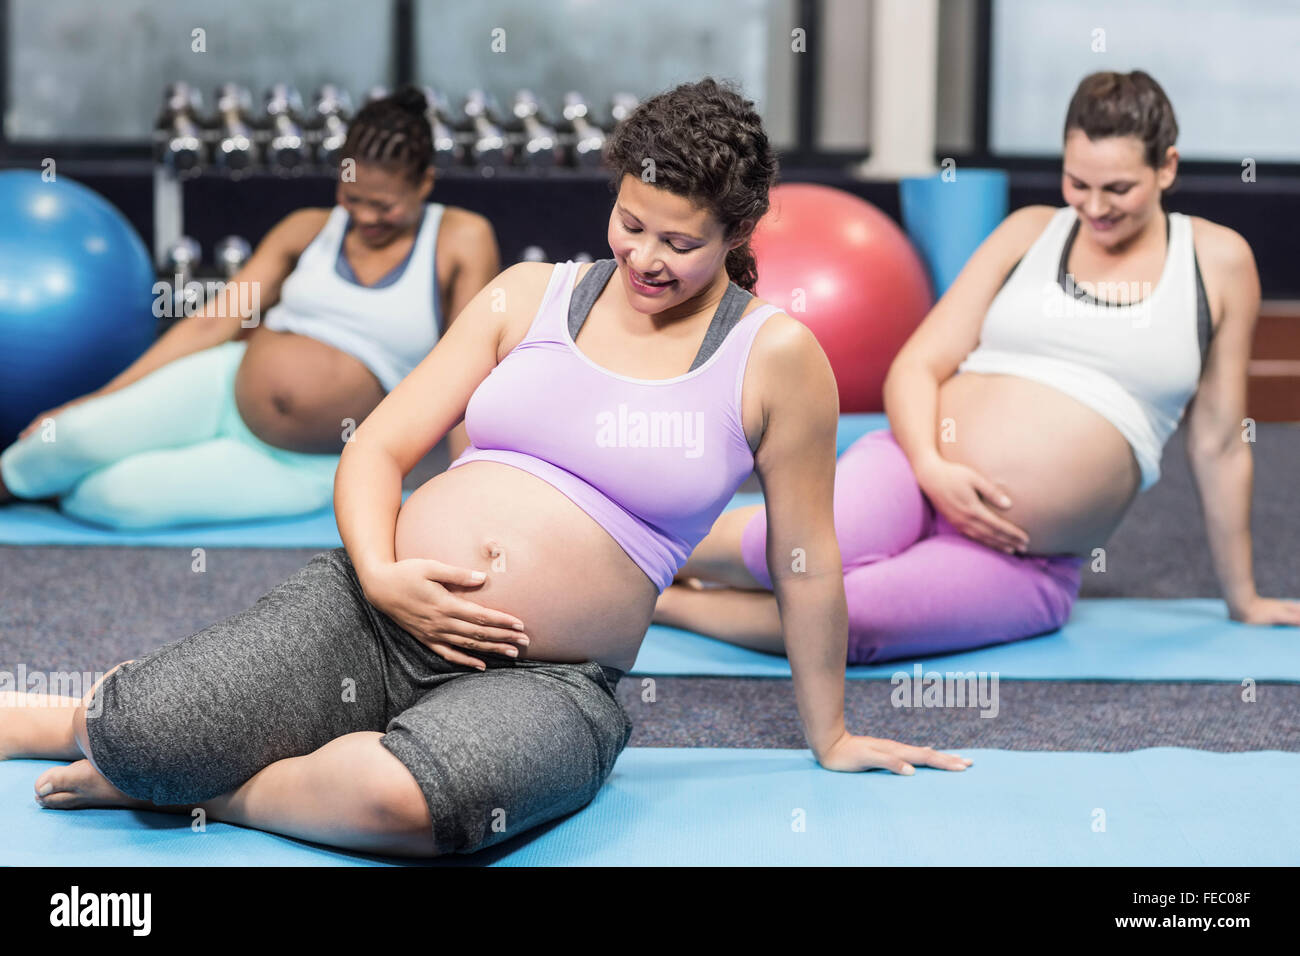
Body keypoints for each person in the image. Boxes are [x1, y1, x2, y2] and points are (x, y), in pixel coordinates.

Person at [1, 78, 969, 859]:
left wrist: (830, 733)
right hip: (376, 613)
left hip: (552, 679)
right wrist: (382, 573)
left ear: (736, 232)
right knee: (144, 733)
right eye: (631, 224)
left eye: (681, 242)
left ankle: (215, 792)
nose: (646, 257)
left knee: (418, 803)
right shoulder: (527, 296)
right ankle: (115, 738)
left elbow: (805, 557)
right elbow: (378, 446)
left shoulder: (773, 355)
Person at [655, 70, 1300, 664]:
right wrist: (936, 471)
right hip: (914, 467)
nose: (1095, 208)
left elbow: (1219, 441)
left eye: (1118, 189)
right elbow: (918, 365)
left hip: (1027, 559)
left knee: (847, 620)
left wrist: (1242, 597)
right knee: (786, 552)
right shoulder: (1031, 232)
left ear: (1167, 168)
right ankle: (639, 551)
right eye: (1078, 183)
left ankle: (661, 602)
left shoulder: (1217, 261)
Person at [0, 87, 495, 527]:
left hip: (306, 462)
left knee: (111, 499)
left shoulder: (460, 239)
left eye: (384, 206)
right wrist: (99, 400)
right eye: (352, 197)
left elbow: (466, 374)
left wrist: (465, 484)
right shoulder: (305, 228)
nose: (365, 216)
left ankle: (65, 490)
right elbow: (212, 322)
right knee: (68, 438)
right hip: (220, 385)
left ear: (424, 183)